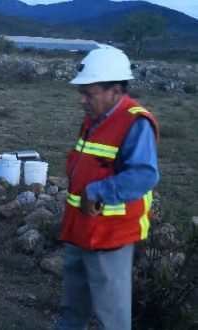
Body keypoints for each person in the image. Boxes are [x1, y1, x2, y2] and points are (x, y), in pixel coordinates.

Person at [57, 48, 159, 329]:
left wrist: (98, 191)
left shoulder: (135, 122)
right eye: (82, 93)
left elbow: (144, 175)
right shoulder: (92, 120)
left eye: (89, 93)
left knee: (111, 319)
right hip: (80, 231)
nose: (82, 100)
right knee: (72, 310)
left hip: (110, 238)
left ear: (115, 90)